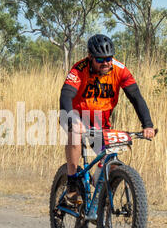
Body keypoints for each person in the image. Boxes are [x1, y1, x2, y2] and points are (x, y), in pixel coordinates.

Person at [59, 34, 155, 206]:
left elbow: (136, 97)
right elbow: (66, 96)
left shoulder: (120, 70)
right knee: (75, 137)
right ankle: (72, 184)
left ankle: (99, 195)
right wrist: (73, 121)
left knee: (111, 162)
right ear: (90, 57)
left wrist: (147, 124)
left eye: (109, 58)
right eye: (100, 59)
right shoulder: (79, 69)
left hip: (98, 121)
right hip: (74, 114)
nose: (105, 63)